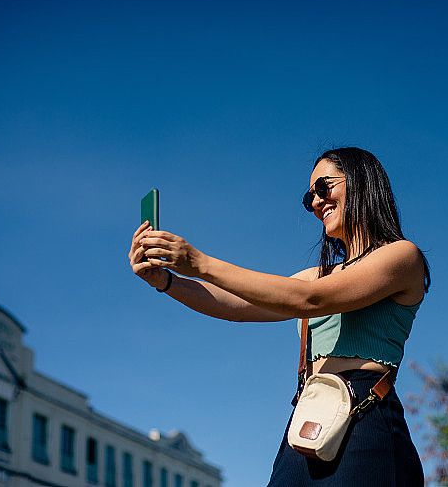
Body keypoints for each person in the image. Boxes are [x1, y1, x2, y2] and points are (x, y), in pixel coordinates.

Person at [129, 147, 429, 486]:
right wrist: (167, 281)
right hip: (308, 418)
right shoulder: (316, 275)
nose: (316, 201)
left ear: (361, 182)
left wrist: (201, 264)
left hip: (366, 415)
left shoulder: (402, 256)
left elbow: (310, 300)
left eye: (323, 187)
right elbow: (235, 306)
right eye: (309, 197)